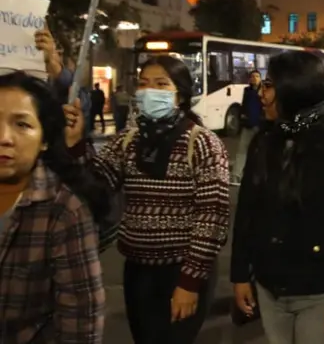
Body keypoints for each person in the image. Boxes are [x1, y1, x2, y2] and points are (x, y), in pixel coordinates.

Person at [68, 55, 230, 344]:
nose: (148, 91)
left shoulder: (203, 143)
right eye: (143, 84)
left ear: (179, 94)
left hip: (181, 271)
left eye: (160, 84)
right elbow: (92, 188)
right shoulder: (127, 141)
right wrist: (76, 145)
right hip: (137, 272)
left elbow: (212, 217)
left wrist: (189, 283)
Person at [231, 51, 324, 343]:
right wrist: (240, 273)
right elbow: (247, 210)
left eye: (270, 85)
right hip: (270, 288)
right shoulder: (265, 140)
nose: (262, 93)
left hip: (323, 294)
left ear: (296, 89)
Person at [0, 72, 109, 343]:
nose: (4, 137)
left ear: (45, 140)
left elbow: (82, 323)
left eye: (22, 124)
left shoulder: (64, 211)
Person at [232, 70, 263, 185]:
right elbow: (244, 106)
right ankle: (236, 176)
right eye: (252, 76)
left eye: (257, 76)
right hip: (248, 125)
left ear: (260, 78)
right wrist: (243, 117)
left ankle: (257, 176)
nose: (255, 78)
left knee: (259, 152)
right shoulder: (247, 91)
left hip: (259, 126)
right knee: (241, 151)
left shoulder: (264, 91)